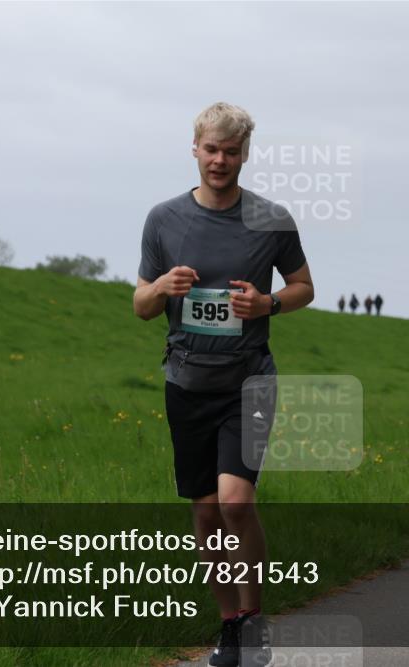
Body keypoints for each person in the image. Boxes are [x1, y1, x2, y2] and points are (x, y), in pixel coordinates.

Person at [134, 102, 314, 667]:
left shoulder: (272, 219)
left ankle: (254, 621)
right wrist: (162, 286)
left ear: (244, 155)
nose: (220, 160)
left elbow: (305, 286)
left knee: (236, 503)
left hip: (249, 380)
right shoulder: (163, 219)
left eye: (231, 151)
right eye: (211, 149)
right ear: (195, 149)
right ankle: (230, 624)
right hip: (186, 382)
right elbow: (140, 307)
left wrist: (268, 303)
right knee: (207, 512)